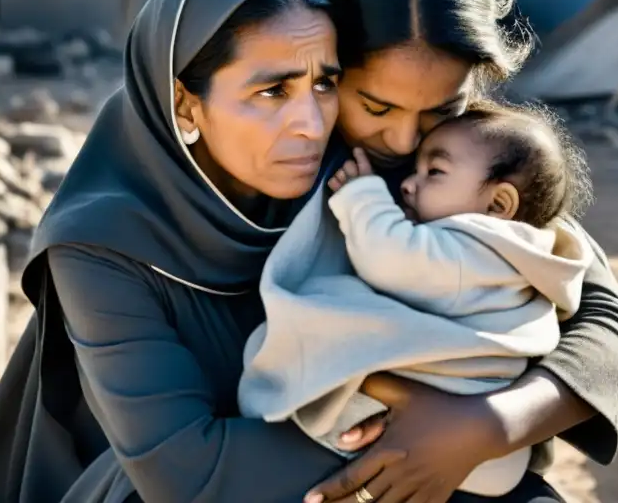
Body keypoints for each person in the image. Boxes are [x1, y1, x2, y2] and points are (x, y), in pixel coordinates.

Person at [0, 0, 618, 503]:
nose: (310, 122)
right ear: (185, 104)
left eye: (324, 85)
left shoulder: (396, 169)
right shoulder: (107, 245)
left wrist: (484, 424)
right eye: (272, 90)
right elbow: (183, 471)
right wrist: (410, 431)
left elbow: (601, 317)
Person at [237, 102, 594, 498]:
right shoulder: (529, 257)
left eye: (434, 172)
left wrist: (362, 197)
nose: (409, 183)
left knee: (313, 329)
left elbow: (390, 259)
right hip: (487, 442)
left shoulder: (472, 250)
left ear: (498, 204)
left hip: (448, 426)